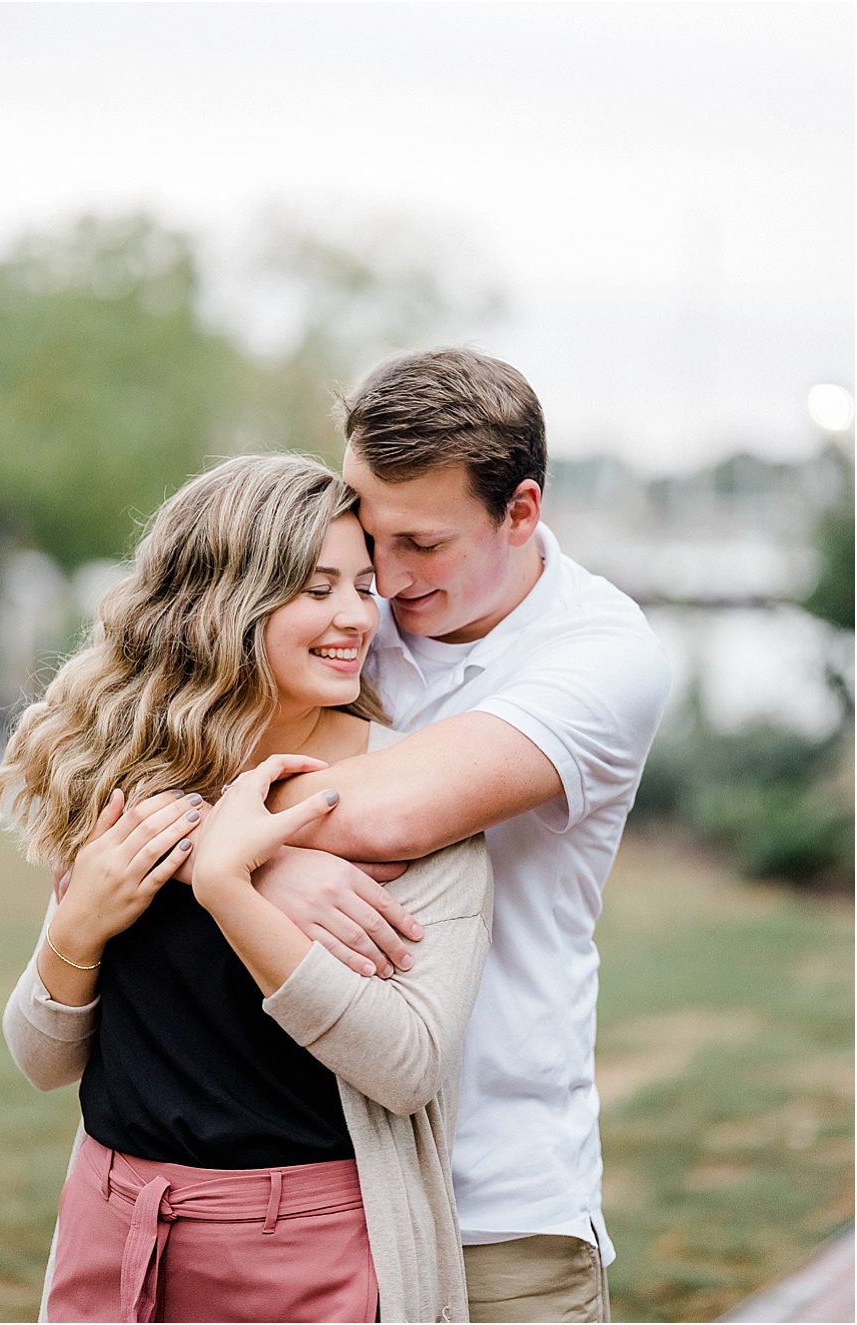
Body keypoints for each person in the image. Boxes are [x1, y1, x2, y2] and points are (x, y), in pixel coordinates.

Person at [0, 454, 492, 1324]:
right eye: (314, 587)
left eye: (363, 585)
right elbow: (41, 1060)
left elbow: (408, 1067)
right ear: (223, 602)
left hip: (309, 1252)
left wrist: (231, 887)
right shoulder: (133, 782)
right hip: (110, 1229)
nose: (353, 617)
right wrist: (79, 920)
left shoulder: (410, 802)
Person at [256, 348, 672, 1323]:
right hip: (304, 1183)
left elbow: (392, 814)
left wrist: (234, 858)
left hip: (493, 1207)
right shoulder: (343, 605)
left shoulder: (601, 653)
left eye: (422, 543)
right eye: (366, 527)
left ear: (521, 512)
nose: (386, 578)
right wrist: (242, 861)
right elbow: (124, 746)